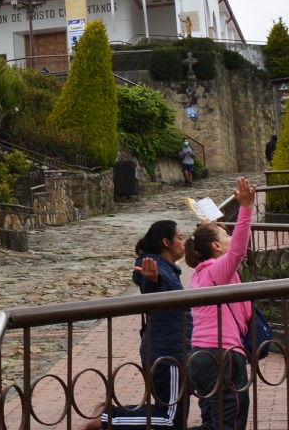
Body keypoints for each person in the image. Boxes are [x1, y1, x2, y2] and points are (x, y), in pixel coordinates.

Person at [85, 219, 190, 430]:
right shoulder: (153, 265)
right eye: (180, 237)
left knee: (171, 414)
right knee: (171, 420)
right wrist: (154, 279)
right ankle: (105, 420)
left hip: (170, 348)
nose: (184, 242)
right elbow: (152, 282)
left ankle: (107, 412)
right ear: (166, 242)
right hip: (169, 351)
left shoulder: (166, 266)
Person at [184, 177, 257, 430]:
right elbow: (237, 251)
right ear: (215, 246)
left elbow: (220, 245)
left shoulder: (201, 274)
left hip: (200, 358)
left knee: (212, 424)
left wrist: (207, 225)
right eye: (225, 234)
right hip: (222, 357)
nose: (229, 236)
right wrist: (247, 208)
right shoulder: (217, 269)